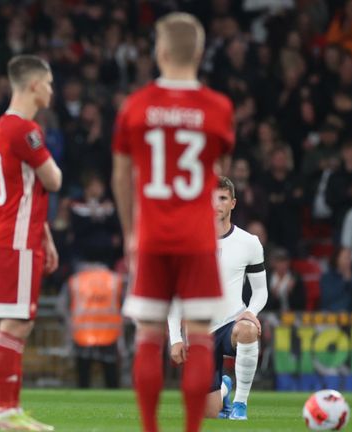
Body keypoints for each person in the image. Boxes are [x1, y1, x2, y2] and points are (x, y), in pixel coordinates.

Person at [111, 13, 234, 432]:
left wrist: (131, 230)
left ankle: (150, 428)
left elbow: (121, 176)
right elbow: (216, 165)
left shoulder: (136, 106)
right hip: (198, 238)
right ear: (199, 53)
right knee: (199, 336)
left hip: (152, 235)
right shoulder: (219, 108)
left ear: (160, 52)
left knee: (149, 335)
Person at [0, 55, 62, 432]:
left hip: (18, 233)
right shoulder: (25, 129)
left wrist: (44, 233)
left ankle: (10, 411)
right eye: (48, 83)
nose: (51, 89)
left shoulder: (2, 126)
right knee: (14, 325)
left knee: (20, 324)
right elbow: (54, 180)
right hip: (15, 238)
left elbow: (24, 188)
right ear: (33, 85)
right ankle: (5, 413)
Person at [168, 177, 267, 421]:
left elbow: (261, 291)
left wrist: (251, 312)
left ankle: (240, 404)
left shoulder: (249, 243)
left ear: (232, 203)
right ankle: (223, 387)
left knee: (247, 330)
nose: (216, 204)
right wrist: (175, 338)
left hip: (232, 323)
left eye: (222, 198)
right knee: (209, 415)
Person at [65, 262, 123, 389]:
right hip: (109, 334)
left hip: (82, 334)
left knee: (83, 377)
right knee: (111, 375)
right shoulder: (115, 280)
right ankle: (114, 401)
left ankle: (81, 401)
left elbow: (62, 307)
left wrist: (68, 324)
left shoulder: (76, 280)